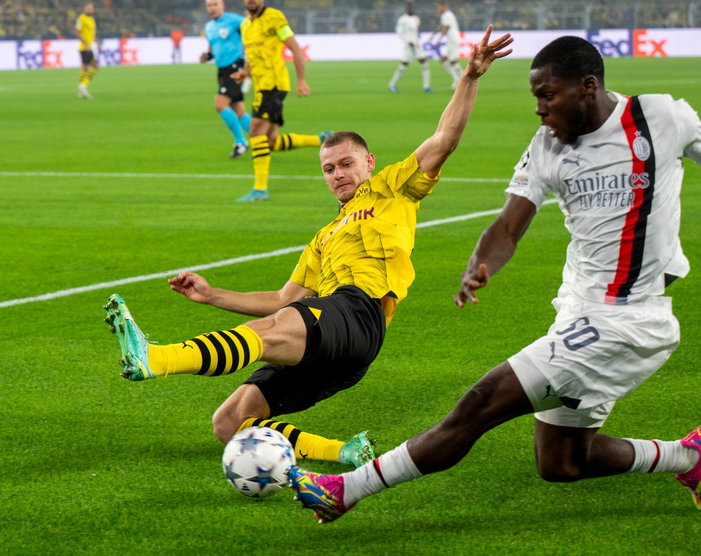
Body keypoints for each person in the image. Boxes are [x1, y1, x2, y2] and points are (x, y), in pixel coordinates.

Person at [289, 35, 701, 523]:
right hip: (578, 310)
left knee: (480, 402)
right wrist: (481, 262)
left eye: (546, 95)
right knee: (561, 463)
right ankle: (685, 457)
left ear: (587, 87)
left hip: (629, 318)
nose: (539, 108)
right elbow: (510, 224)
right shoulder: (547, 146)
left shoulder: (659, 117)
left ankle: (347, 489)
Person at [103, 26, 513, 469]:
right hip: (334, 342)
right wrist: (211, 295)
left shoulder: (392, 188)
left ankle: (157, 358)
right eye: (328, 168)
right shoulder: (323, 238)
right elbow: (282, 299)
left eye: (346, 164)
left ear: (369, 163)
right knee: (229, 422)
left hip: (360, 314)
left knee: (277, 327)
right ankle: (345, 451)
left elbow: (444, 139)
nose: (337, 174)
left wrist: (469, 77)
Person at [231, 0, 331, 202]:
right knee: (270, 142)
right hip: (261, 86)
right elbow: (252, 56)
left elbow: (294, 48)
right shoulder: (245, 25)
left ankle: (260, 189)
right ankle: (321, 140)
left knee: (255, 130)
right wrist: (244, 73)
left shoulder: (274, 17)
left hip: (273, 85)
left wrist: (302, 80)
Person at [200, 0, 251, 159]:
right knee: (239, 110)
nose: (212, 8)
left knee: (220, 104)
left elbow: (252, 29)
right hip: (221, 70)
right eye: (209, 6)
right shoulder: (208, 27)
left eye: (215, 4)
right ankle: (265, 141)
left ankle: (241, 142)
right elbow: (213, 47)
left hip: (234, 67)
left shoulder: (235, 20)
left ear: (222, 5)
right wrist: (206, 56)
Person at [388, 2, 432, 94]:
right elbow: (399, 32)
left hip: (416, 44)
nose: (411, 9)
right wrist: (408, 41)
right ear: (406, 9)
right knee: (404, 64)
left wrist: (416, 40)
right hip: (408, 45)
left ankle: (426, 86)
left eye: (412, 8)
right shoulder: (402, 19)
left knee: (424, 62)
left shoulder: (416, 18)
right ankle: (392, 84)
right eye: (409, 8)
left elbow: (416, 31)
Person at [431, 1, 462, 90]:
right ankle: (457, 79)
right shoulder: (444, 15)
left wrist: (438, 40)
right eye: (438, 7)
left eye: (440, 7)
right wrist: (433, 34)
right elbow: (441, 27)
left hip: (453, 39)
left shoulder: (448, 15)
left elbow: (446, 28)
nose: (439, 9)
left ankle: (463, 79)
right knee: (443, 59)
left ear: (445, 6)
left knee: (453, 61)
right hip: (450, 40)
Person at [76, 3, 99, 99]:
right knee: (95, 67)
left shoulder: (92, 20)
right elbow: (78, 33)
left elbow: (91, 34)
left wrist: (97, 42)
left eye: (91, 8)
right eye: (87, 9)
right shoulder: (81, 18)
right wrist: (85, 44)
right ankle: (83, 86)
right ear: (84, 9)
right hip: (85, 47)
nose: (89, 10)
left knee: (84, 68)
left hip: (88, 47)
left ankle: (81, 92)